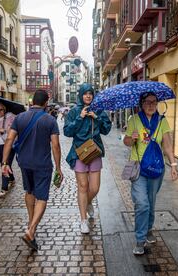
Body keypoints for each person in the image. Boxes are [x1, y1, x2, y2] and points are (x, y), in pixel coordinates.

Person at [1, 90, 63, 251]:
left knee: (29, 191)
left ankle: (31, 224)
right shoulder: (50, 120)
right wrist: (58, 167)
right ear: (46, 103)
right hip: (42, 164)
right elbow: (55, 145)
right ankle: (31, 230)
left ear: (32, 101)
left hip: (24, 163)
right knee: (41, 197)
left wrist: (4, 162)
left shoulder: (19, 118)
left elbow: (9, 139)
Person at [123, 92, 178, 255]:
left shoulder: (162, 121)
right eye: (147, 102)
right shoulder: (134, 119)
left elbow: (167, 145)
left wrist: (173, 165)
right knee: (142, 203)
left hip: (156, 168)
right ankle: (140, 239)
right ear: (141, 103)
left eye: (154, 102)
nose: (151, 105)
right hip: (138, 167)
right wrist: (131, 139)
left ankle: (148, 229)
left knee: (151, 202)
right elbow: (126, 141)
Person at [63, 83, 111, 234]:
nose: (88, 96)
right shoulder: (74, 111)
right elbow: (67, 132)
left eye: (90, 93)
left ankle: (88, 201)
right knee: (83, 186)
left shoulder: (99, 110)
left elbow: (107, 129)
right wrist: (80, 117)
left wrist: (96, 118)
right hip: (79, 153)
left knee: (94, 187)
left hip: (95, 151)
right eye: (85, 93)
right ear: (81, 95)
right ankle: (83, 220)